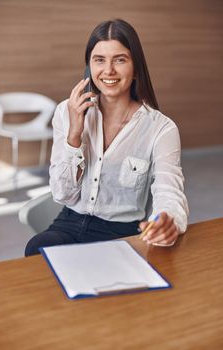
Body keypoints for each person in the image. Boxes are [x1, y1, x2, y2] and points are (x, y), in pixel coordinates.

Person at [25, 19, 188, 256]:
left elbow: (169, 191)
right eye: (99, 60)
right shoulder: (66, 112)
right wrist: (74, 135)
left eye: (120, 60)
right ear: (89, 66)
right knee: (37, 250)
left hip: (121, 232)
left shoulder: (161, 128)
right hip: (69, 223)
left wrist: (167, 220)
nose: (108, 70)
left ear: (135, 68)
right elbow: (62, 194)